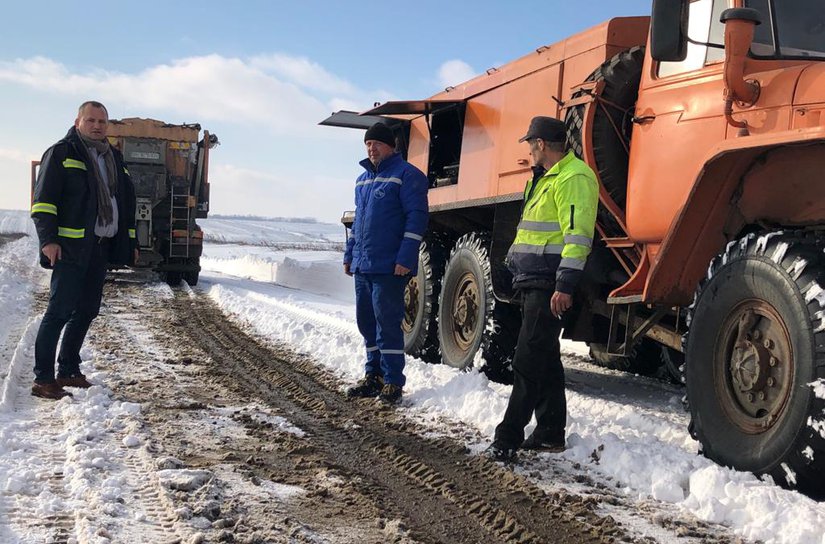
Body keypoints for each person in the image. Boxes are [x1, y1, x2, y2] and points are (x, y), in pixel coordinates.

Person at [486, 116, 598, 462]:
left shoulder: (574, 177)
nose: (528, 151)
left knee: (527, 360)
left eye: (530, 144)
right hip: (534, 282)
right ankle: (549, 433)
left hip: (551, 284)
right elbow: (530, 233)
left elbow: (577, 237)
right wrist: (510, 267)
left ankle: (507, 437)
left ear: (542, 144)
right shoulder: (543, 179)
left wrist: (564, 285)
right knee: (545, 358)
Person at [30, 101, 137, 400]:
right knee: (59, 311)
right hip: (69, 248)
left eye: (102, 121)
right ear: (77, 121)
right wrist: (48, 240)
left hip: (99, 247)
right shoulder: (62, 153)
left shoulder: (113, 157)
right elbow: (43, 203)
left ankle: (68, 369)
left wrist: (131, 242)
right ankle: (43, 379)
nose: (97, 125)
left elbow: (124, 203)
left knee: (88, 310)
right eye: (91, 120)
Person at [344, 122, 428, 405]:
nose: (371, 148)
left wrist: (406, 258)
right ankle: (373, 377)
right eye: (368, 144)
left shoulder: (408, 176)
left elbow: (416, 219)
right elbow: (358, 223)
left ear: (391, 146)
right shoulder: (362, 180)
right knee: (366, 323)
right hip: (363, 265)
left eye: (377, 144)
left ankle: (393, 381)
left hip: (389, 266)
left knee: (387, 324)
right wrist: (349, 255)